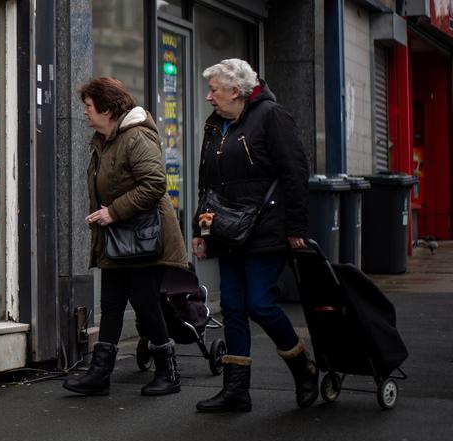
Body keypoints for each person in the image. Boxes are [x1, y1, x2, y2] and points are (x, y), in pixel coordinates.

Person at [192, 58, 317, 413]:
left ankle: (303, 368)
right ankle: (236, 390)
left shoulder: (272, 116)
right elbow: (208, 183)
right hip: (227, 230)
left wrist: (296, 227)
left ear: (236, 90)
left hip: (265, 230)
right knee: (232, 305)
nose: (209, 98)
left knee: (259, 304)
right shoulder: (216, 124)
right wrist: (202, 230)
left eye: (214, 90)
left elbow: (295, 172)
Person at [64, 77, 190, 397]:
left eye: (90, 107)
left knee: (146, 303)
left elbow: (154, 184)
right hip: (118, 239)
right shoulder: (104, 140)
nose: (86, 113)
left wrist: (113, 212)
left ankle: (168, 371)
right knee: (111, 303)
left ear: (108, 109)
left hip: (145, 237)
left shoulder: (136, 137)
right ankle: (100, 373)